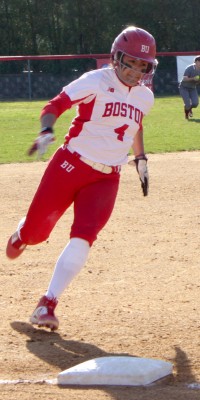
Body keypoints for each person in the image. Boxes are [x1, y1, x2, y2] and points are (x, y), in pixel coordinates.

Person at [6, 26, 157, 331]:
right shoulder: (96, 80)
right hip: (70, 165)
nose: (135, 71)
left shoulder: (145, 96)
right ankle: (23, 233)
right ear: (116, 58)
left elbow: (134, 124)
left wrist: (139, 157)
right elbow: (55, 105)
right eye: (131, 62)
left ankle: (47, 304)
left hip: (106, 178)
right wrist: (47, 130)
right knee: (37, 234)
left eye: (143, 66)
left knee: (84, 236)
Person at [179, 55, 200, 119]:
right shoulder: (190, 68)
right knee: (187, 104)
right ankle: (186, 115)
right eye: (199, 61)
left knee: (195, 104)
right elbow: (185, 79)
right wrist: (193, 78)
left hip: (192, 88)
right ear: (196, 62)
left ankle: (189, 108)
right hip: (184, 87)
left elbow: (198, 82)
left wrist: (198, 81)